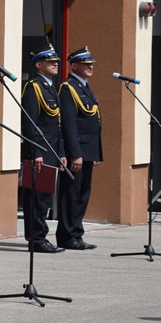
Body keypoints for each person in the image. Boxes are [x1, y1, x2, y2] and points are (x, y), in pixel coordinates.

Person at [21, 45, 66, 253]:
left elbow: (57, 125)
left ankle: (41, 236)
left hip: (51, 151)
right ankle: (36, 239)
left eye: (56, 61)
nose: (55, 64)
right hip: (39, 152)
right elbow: (29, 123)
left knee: (45, 198)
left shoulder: (50, 88)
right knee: (36, 198)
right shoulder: (34, 87)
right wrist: (35, 152)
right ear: (39, 64)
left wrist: (61, 153)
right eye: (50, 61)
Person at [56, 47, 101, 250]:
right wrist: (75, 154)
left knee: (83, 194)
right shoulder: (68, 88)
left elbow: (94, 121)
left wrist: (95, 152)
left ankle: (76, 233)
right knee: (71, 195)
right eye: (85, 64)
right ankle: (67, 236)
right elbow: (69, 124)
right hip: (77, 151)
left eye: (91, 63)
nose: (90, 67)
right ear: (74, 66)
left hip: (88, 150)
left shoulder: (85, 87)